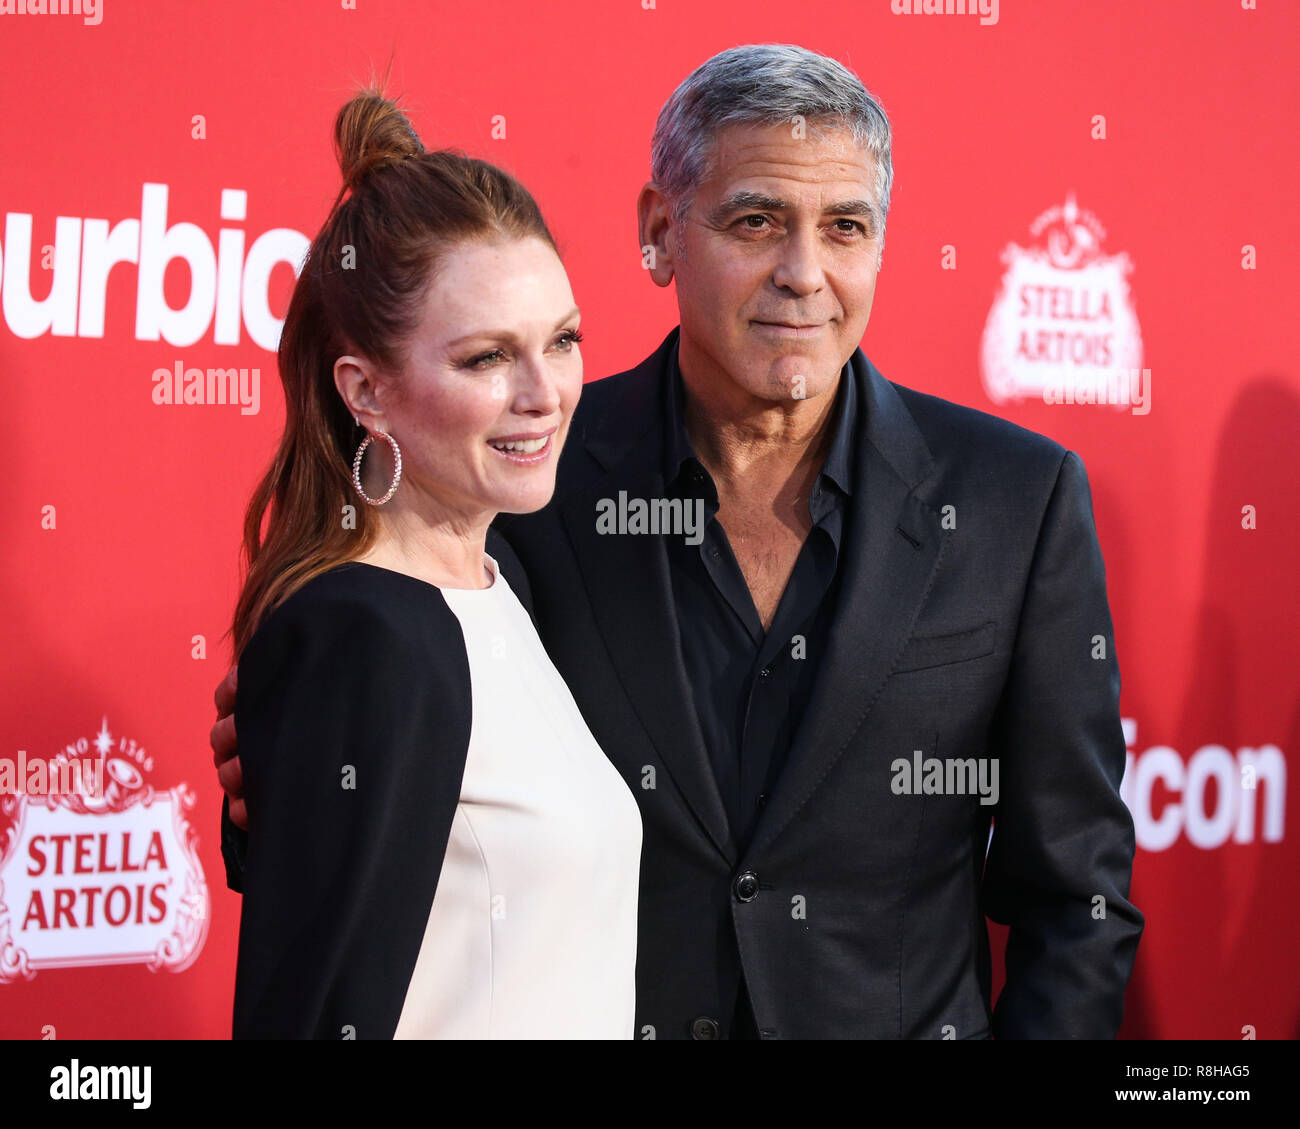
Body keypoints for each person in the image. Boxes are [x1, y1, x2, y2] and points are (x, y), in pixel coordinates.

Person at [215, 44, 1142, 1039]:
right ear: (661, 231)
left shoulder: (1013, 499)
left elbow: (1073, 895)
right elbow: (376, 849)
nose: (803, 274)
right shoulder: (532, 481)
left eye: (844, 228)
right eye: (756, 222)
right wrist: (278, 773)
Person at [224, 87, 641, 1039]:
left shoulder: (505, 590)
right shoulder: (363, 634)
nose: (546, 394)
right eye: (488, 357)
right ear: (365, 389)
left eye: (564, 341)